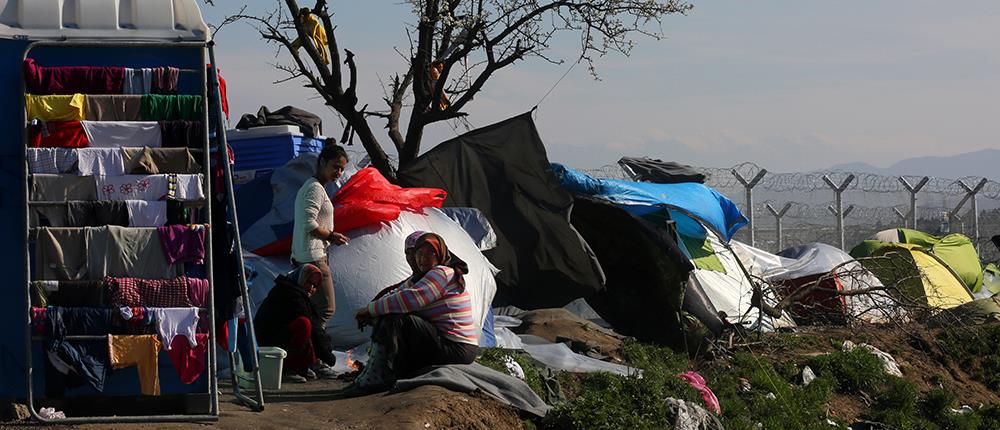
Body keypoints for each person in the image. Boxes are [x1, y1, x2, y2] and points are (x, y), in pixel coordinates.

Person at [354, 232, 479, 382]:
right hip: (444, 340)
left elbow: (409, 299)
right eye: (418, 253)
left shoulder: (442, 273)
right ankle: (382, 372)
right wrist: (372, 311)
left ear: (440, 254)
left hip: (457, 348)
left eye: (430, 253)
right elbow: (396, 294)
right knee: (391, 311)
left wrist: (370, 310)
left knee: (397, 318)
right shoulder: (421, 278)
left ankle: (376, 377)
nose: (422, 259)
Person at [292, 145, 348, 335]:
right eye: (335, 167)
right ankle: (315, 354)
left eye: (341, 169)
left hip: (308, 256)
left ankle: (307, 352)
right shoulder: (314, 189)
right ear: (322, 163)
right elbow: (308, 224)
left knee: (310, 311)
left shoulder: (314, 188)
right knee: (325, 309)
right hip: (314, 257)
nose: (338, 173)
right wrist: (332, 236)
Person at [254, 264, 337, 382]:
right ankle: (287, 369)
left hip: (275, 339)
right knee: (304, 324)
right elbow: (313, 328)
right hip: (270, 343)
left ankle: (305, 366)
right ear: (301, 279)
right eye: (309, 283)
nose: (311, 288)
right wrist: (328, 356)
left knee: (306, 326)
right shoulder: (290, 294)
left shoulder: (295, 292)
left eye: (315, 286)